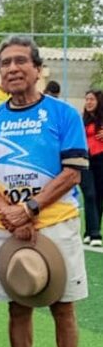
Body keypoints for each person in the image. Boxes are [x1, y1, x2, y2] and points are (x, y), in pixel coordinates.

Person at [0, 36, 89, 347]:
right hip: (6, 225)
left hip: (54, 222)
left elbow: (72, 170)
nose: (12, 68)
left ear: (38, 69)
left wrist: (31, 208)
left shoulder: (62, 113)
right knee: (18, 306)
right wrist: (9, 212)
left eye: (21, 61)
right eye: (5, 63)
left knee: (63, 307)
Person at [79, 89, 103, 247]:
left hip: (101, 159)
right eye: (87, 99)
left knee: (100, 196)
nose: (88, 102)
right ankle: (95, 234)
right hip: (85, 160)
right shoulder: (81, 120)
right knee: (90, 194)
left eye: (92, 99)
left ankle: (89, 232)